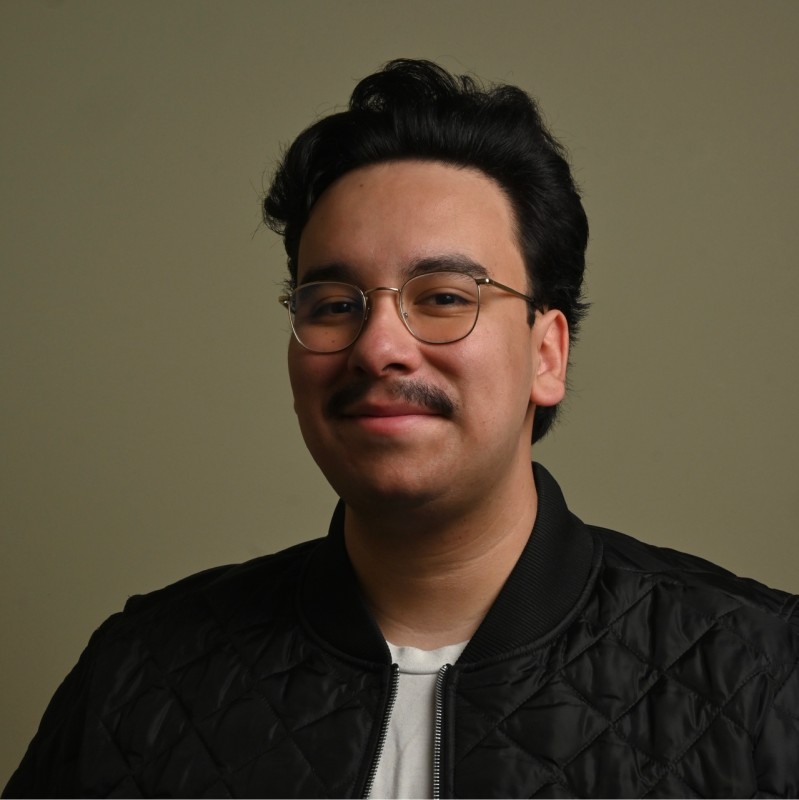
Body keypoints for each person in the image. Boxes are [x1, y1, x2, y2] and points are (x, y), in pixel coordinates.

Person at [4, 59, 797, 799]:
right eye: (333, 304)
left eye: (444, 296)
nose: (378, 345)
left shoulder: (760, 672)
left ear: (545, 354)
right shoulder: (139, 675)